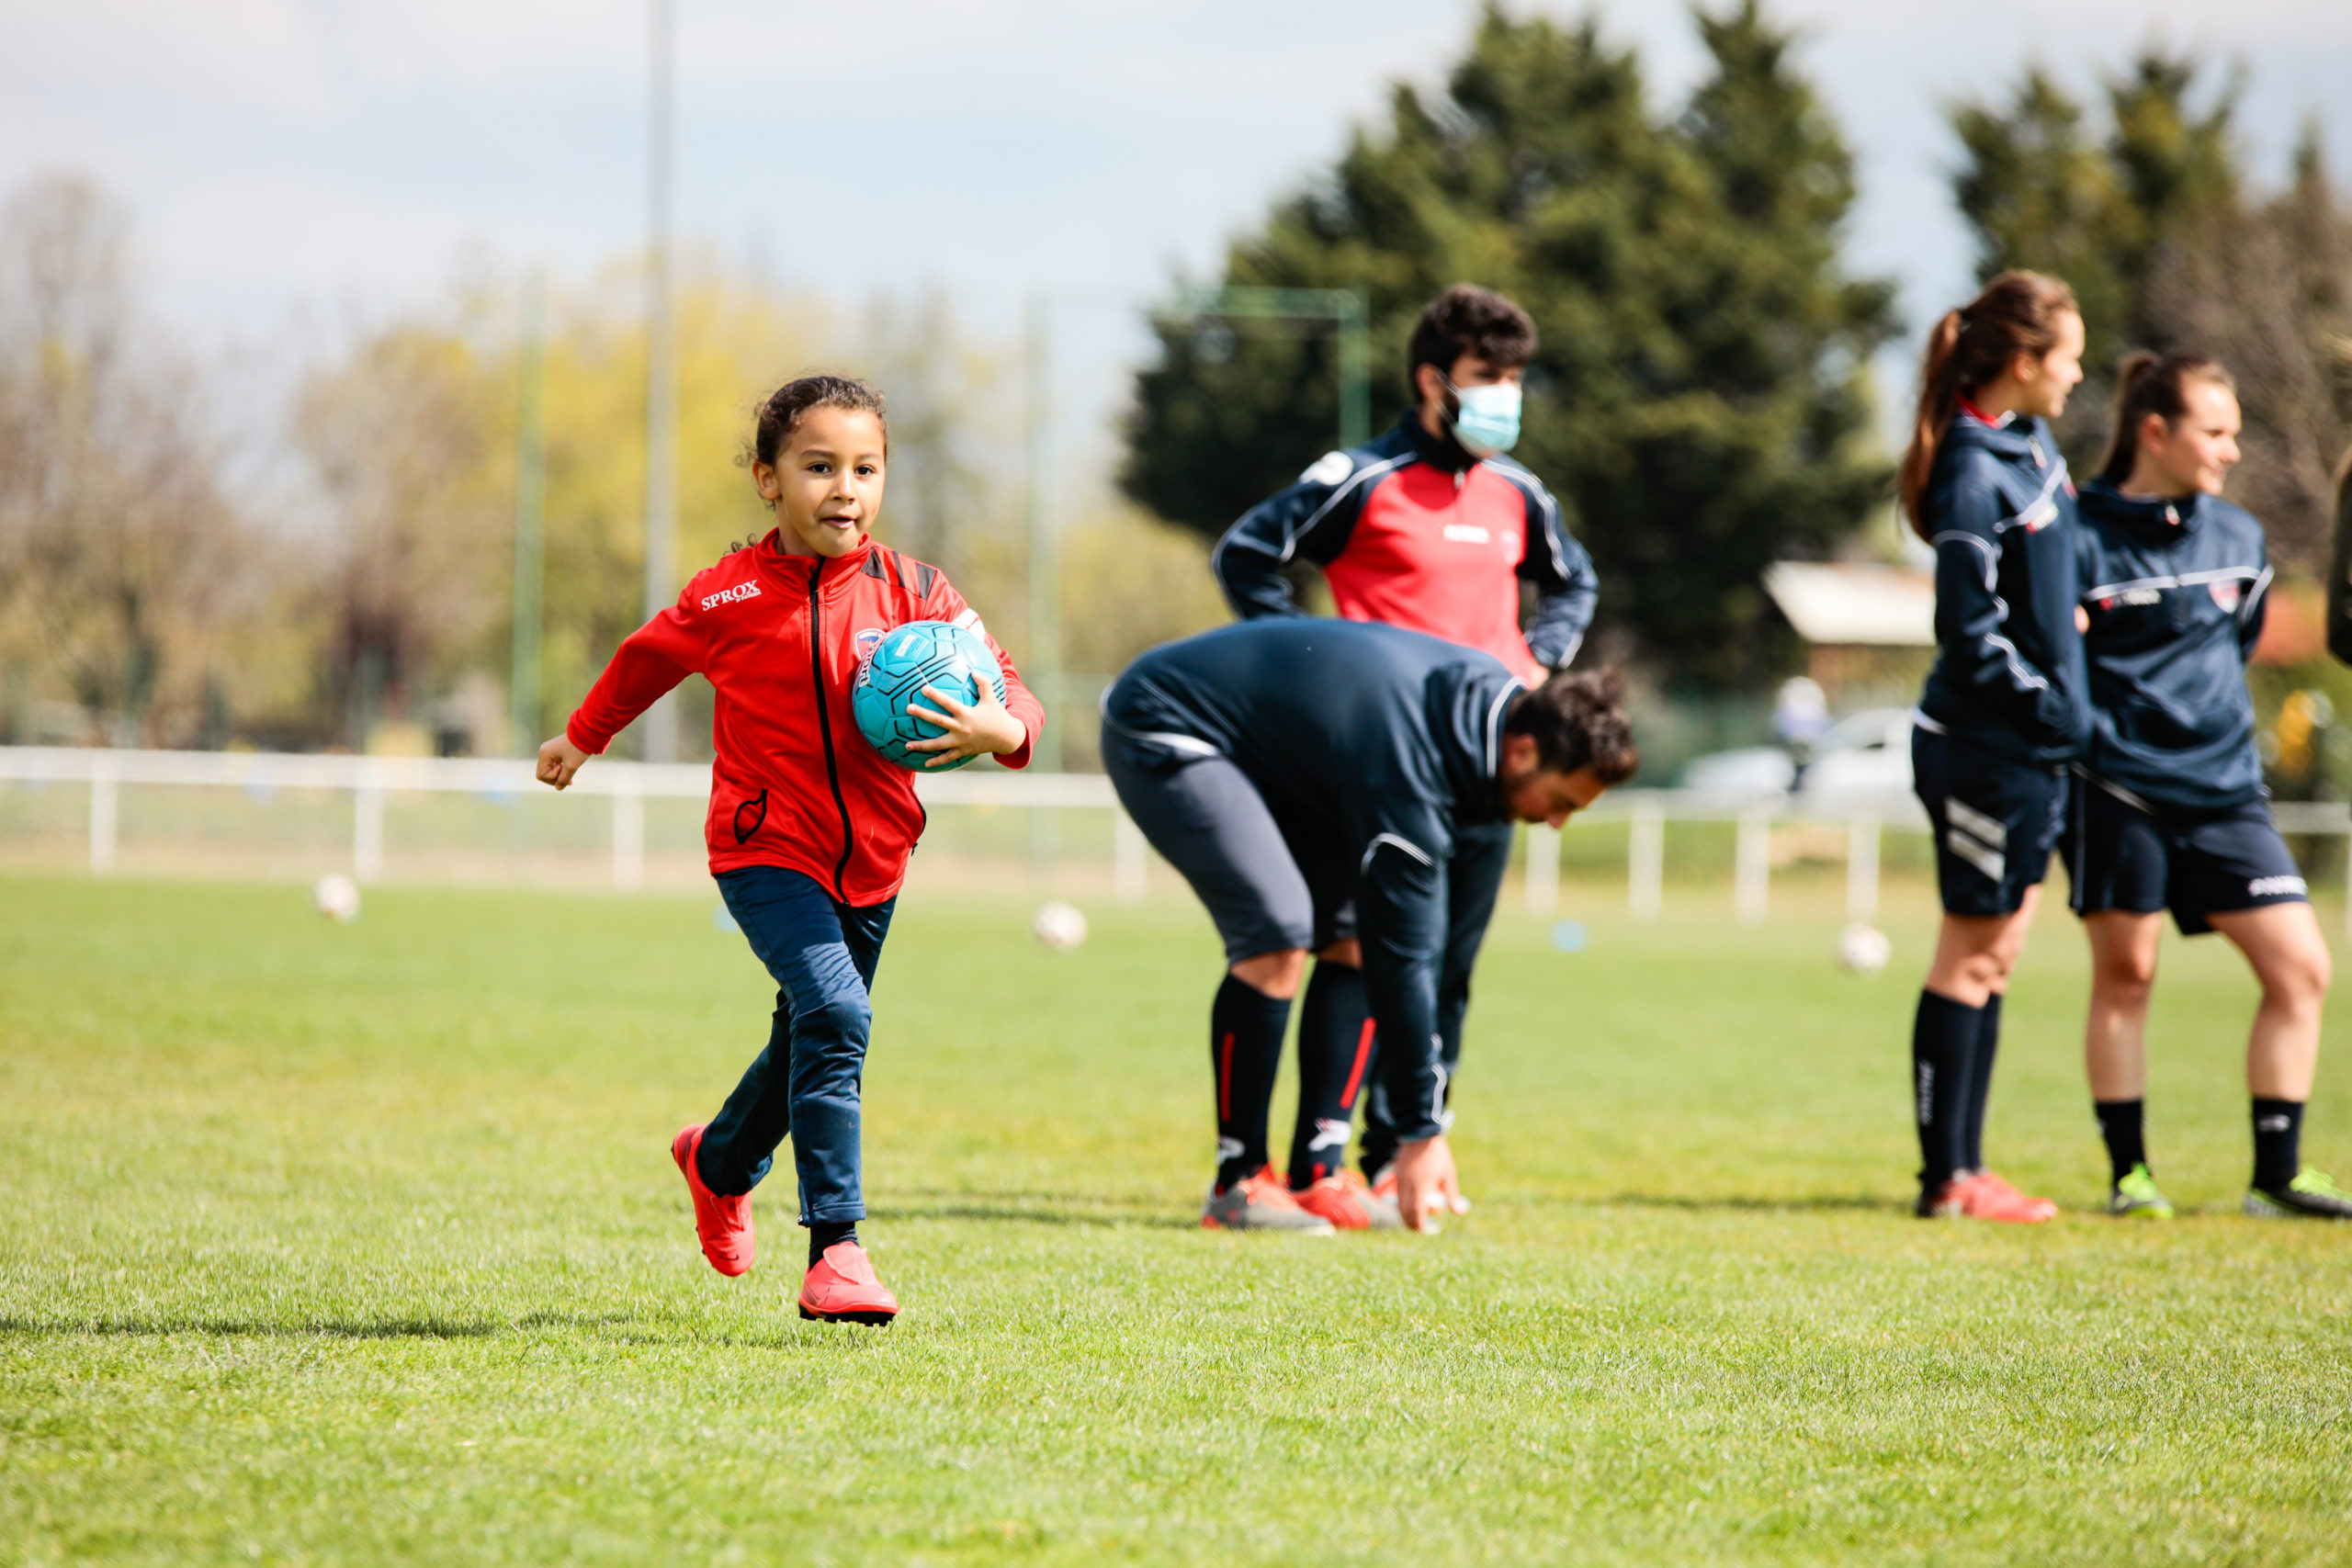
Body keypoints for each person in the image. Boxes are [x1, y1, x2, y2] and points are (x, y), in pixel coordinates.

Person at [536, 375, 1045, 1323]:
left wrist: (1002, 732)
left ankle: (718, 1160)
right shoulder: (726, 592)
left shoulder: (918, 593)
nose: (844, 488)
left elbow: (1011, 687)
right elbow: (647, 658)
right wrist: (582, 735)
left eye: (865, 468)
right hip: (763, 849)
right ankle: (837, 1251)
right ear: (768, 481)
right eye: (819, 467)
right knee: (838, 1016)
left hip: (879, 859)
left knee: (814, 1030)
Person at [1212, 284, 1599, 1228]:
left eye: (1514, 380)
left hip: (1493, 772)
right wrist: (1308, 665)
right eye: (1485, 379)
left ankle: (1401, 1157)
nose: (1504, 397)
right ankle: (1321, 1159)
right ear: (1432, 380)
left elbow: (1574, 580)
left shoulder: (1518, 491)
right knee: (1366, 948)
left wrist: (1540, 660)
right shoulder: (1357, 477)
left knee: (1445, 970)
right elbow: (1246, 556)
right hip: (1378, 768)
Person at [1100, 616, 1636, 1233]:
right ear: (1522, 752)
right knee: (1279, 929)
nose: (1558, 822)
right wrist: (1420, 1131)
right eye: (1562, 801)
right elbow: (1405, 958)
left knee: (1351, 936)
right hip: (1165, 720)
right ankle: (1238, 1181)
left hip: (1278, 761)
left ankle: (1316, 1174)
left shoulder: (1490, 713)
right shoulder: (1414, 757)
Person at [2067, 353, 2351, 1220]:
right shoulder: (2075, 535)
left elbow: (2237, 642)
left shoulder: (2237, 537)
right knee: (2128, 976)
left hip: (2227, 791)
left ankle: (2277, 1174)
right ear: (2156, 432)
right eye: (2215, 432)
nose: (2231, 451)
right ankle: (2131, 1177)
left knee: (2301, 968)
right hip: (2119, 790)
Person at [1895, 270, 2090, 1223]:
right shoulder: (1974, 472)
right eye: (2069, 359)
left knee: (1997, 954)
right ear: (2023, 361)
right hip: (1982, 752)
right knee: (1969, 954)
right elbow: (1969, 636)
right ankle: (1949, 1178)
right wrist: (2052, 707)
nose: (2078, 377)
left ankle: (1968, 1168)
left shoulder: (2029, 446)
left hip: (2030, 753)